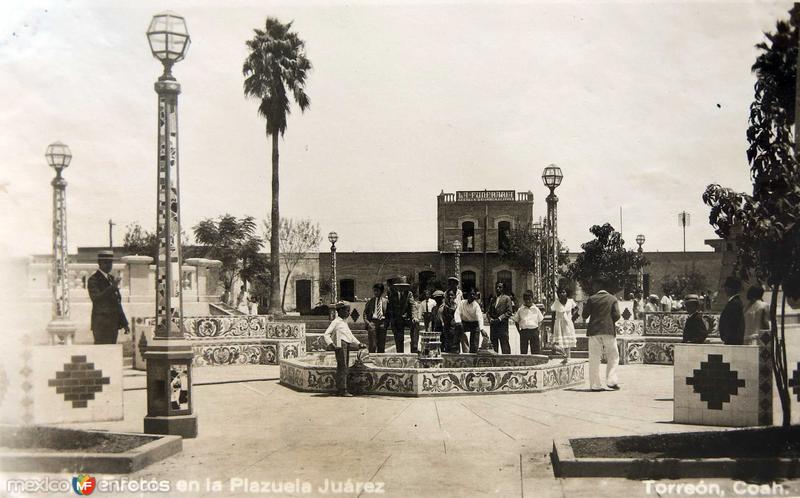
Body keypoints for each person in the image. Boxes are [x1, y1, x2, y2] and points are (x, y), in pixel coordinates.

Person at [582, 278, 621, 391]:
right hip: (608, 331)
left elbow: (584, 315)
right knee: (613, 355)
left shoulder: (591, 299)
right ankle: (611, 381)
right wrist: (609, 321)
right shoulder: (612, 299)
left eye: (594, 285)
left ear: (598, 286)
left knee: (594, 357)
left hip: (594, 331)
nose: (593, 287)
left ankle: (595, 385)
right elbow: (617, 315)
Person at [323, 302, 367, 396]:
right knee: (342, 367)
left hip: (346, 345)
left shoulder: (344, 322)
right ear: (341, 311)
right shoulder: (336, 322)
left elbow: (350, 335)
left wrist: (359, 344)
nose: (348, 313)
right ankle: (342, 390)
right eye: (347, 311)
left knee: (344, 367)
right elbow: (326, 334)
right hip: (340, 346)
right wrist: (331, 344)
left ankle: (342, 388)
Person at [87, 250, 129, 344]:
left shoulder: (111, 278)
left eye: (110, 262)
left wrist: (124, 322)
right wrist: (111, 288)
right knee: (102, 353)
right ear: (100, 263)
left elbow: (117, 302)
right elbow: (96, 298)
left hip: (113, 324)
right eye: (106, 262)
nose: (109, 265)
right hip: (101, 324)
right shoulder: (93, 280)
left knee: (112, 352)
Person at [387, 277, 416, 353]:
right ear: (396, 287)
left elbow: (412, 305)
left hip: (407, 318)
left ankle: (414, 348)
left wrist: (413, 317)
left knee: (416, 324)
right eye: (399, 286)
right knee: (399, 337)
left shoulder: (409, 294)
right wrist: (392, 319)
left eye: (403, 286)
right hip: (397, 319)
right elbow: (390, 308)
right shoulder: (391, 294)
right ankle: (400, 353)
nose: (401, 288)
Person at [511, 290, 544, 354]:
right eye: (526, 299)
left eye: (529, 299)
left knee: (535, 351)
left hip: (534, 331)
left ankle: (535, 362)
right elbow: (516, 320)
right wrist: (519, 331)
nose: (528, 301)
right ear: (524, 300)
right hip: (524, 332)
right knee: (523, 350)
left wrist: (538, 330)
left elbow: (541, 320)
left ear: (532, 299)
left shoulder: (536, 309)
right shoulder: (520, 310)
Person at [552, 286, 579, 363]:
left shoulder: (570, 301)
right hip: (559, 323)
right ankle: (563, 355)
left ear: (567, 293)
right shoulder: (556, 303)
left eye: (563, 292)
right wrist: (552, 327)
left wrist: (572, 316)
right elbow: (553, 315)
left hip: (567, 323)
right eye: (560, 292)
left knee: (568, 341)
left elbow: (576, 308)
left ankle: (568, 357)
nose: (562, 294)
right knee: (559, 341)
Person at [454, 289, 484, 353]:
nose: (472, 296)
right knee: (457, 330)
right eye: (470, 294)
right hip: (464, 323)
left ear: (475, 296)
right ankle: (456, 350)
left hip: (474, 324)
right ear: (467, 295)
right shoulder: (462, 303)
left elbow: (480, 317)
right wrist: (458, 322)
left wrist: (482, 329)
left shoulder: (476, 305)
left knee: (474, 343)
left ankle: (473, 353)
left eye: (473, 294)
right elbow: (457, 312)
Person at [488, 282, 514, 354]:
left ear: (503, 289)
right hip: (493, 326)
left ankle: (507, 362)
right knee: (493, 346)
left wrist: (499, 319)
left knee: (504, 345)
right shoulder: (493, 299)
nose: (497, 289)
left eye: (500, 287)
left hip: (502, 326)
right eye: (496, 287)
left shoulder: (507, 298)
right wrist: (490, 319)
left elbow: (509, 312)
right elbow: (488, 312)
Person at [719, 276, 745, 345]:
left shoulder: (735, 303)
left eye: (727, 287)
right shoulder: (733, 302)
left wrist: (727, 337)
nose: (725, 289)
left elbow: (733, 323)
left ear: (732, 289)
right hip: (731, 339)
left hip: (732, 340)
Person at [363, 283, 388, 353]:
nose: (375, 293)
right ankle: (371, 360)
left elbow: (389, 314)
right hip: (373, 323)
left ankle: (380, 361)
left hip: (382, 323)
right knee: (372, 345)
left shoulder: (386, 301)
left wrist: (386, 323)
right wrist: (368, 323)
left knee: (381, 345)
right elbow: (365, 313)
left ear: (382, 291)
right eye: (374, 291)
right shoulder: (371, 301)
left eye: (377, 291)